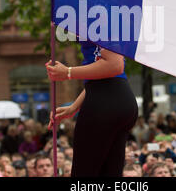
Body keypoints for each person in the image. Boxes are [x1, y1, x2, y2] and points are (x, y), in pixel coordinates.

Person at [46, 41, 138, 177]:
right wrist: (74, 107)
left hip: (106, 103)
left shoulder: (102, 19)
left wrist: (68, 72)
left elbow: (115, 65)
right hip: (115, 99)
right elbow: (101, 76)